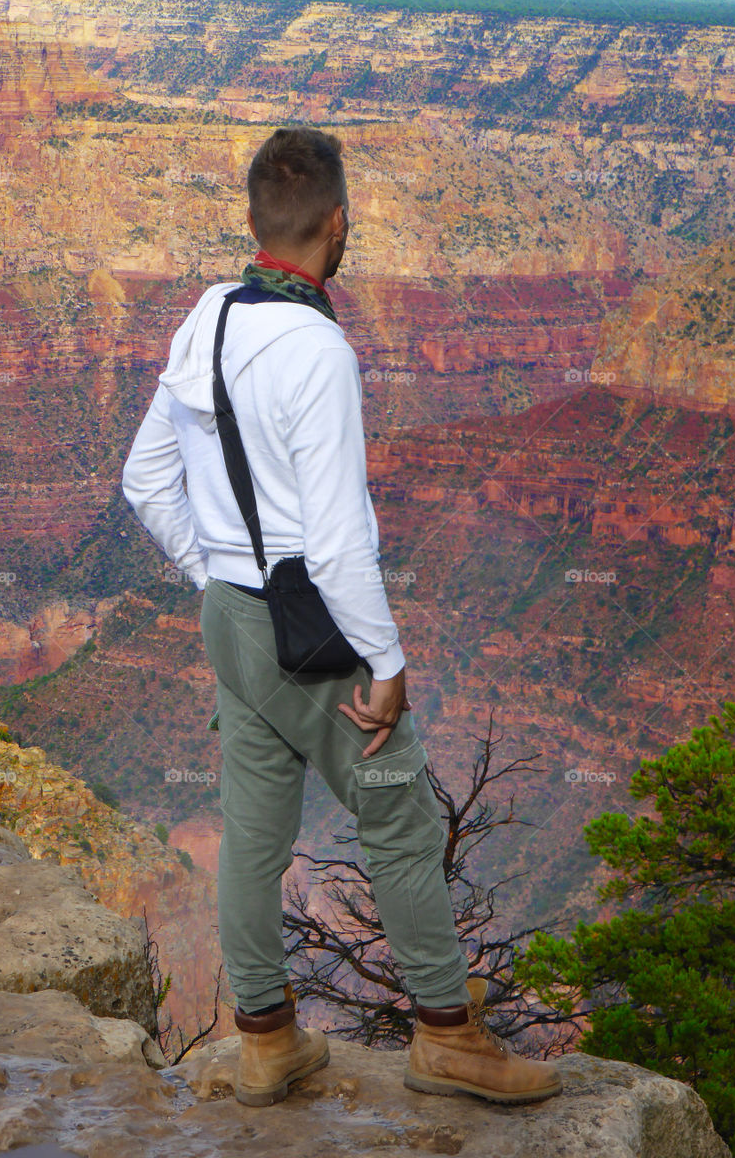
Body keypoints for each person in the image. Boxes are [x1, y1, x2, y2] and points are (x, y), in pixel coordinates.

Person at [121, 127, 562, 1108]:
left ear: (251, 223)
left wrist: (217, 572)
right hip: (312, 627)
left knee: (253, 830)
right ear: (338, 225)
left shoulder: (207, 318)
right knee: (398, 811)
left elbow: (143, 478)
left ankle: (268, 1039)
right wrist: (387, 658)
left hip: (232, 619)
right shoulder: (318, 348)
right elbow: (332, 540)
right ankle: (446, 1032)